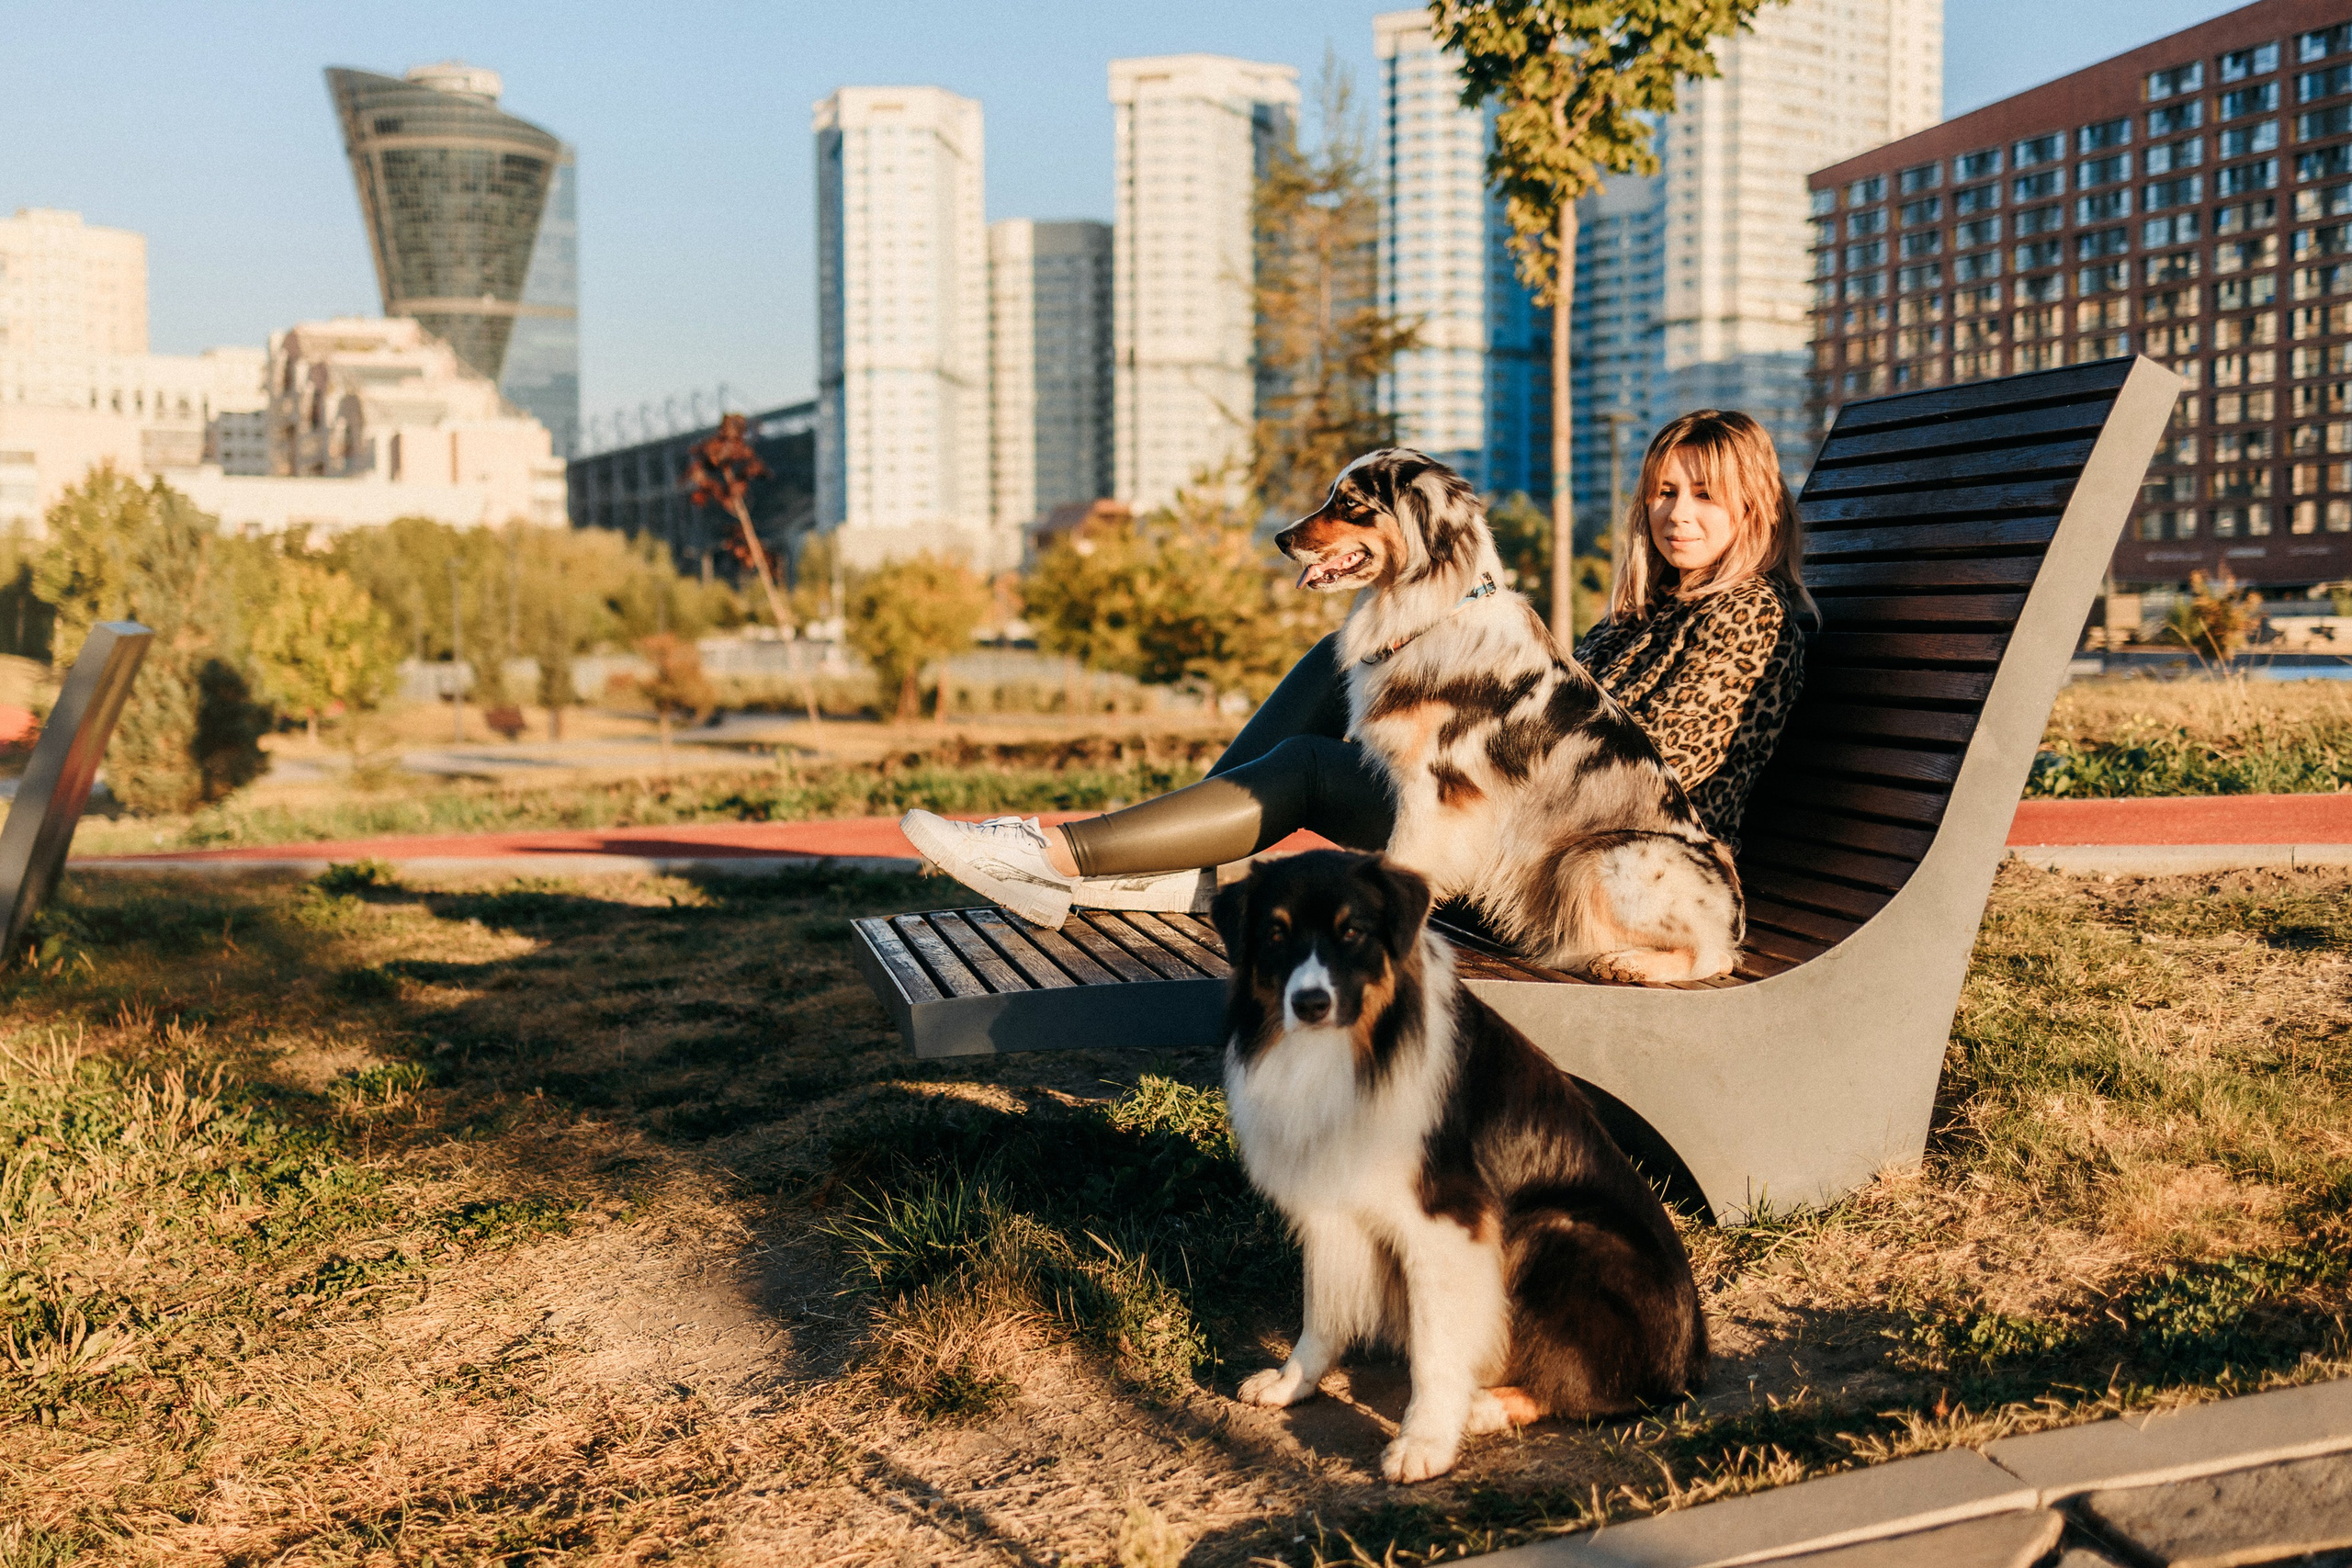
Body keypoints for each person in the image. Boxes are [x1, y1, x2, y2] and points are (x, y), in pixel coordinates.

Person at [904, 409, 1815, 930]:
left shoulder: (1749, 616)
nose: (1676, 515)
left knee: (1309, 768)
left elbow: (1651, 770)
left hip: (1572, 862)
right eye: (1663, 492)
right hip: (1518, 825)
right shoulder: (1658, 613)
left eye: (1703, 495)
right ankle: (1177, 856)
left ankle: (1046, 853)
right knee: (1336, 662)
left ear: (1754, 506)